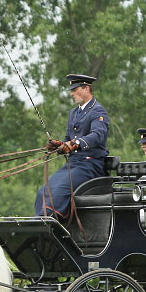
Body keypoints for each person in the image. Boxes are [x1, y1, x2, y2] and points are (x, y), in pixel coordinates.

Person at [35, 73, 109, 218]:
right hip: (74, 164)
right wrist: (59, 145)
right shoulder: (73, 113)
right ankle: (41, 221)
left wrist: (75, 143)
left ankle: (50, 222)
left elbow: (97, 135)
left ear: (86, 88)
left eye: (75, 89)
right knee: (43, 191)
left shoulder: (98, 111)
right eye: (71, 90)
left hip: (90, 165)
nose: (71, 93)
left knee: (58, 191)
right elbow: (69, 139)